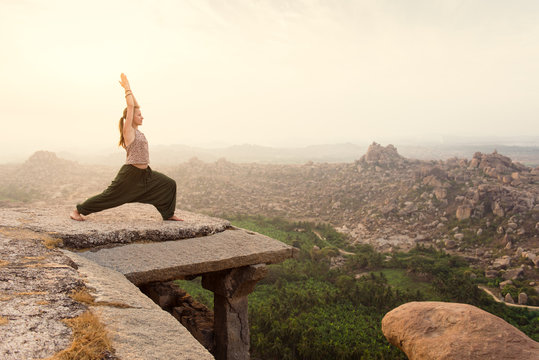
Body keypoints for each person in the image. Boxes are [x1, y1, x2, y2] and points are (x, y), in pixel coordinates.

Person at [70, 73, 183, 221]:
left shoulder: (138, 132)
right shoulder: (128, 131)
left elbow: (135, 105)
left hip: (146, 175)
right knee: (108, 197)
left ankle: (168, 214)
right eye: (139, 115)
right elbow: (131, 106)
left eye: (141, 115)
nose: (142, 117)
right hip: (130, 175)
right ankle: (78, 211)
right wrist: (127, 89)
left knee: (169, 184)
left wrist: (130, 90)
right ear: (130, 118)